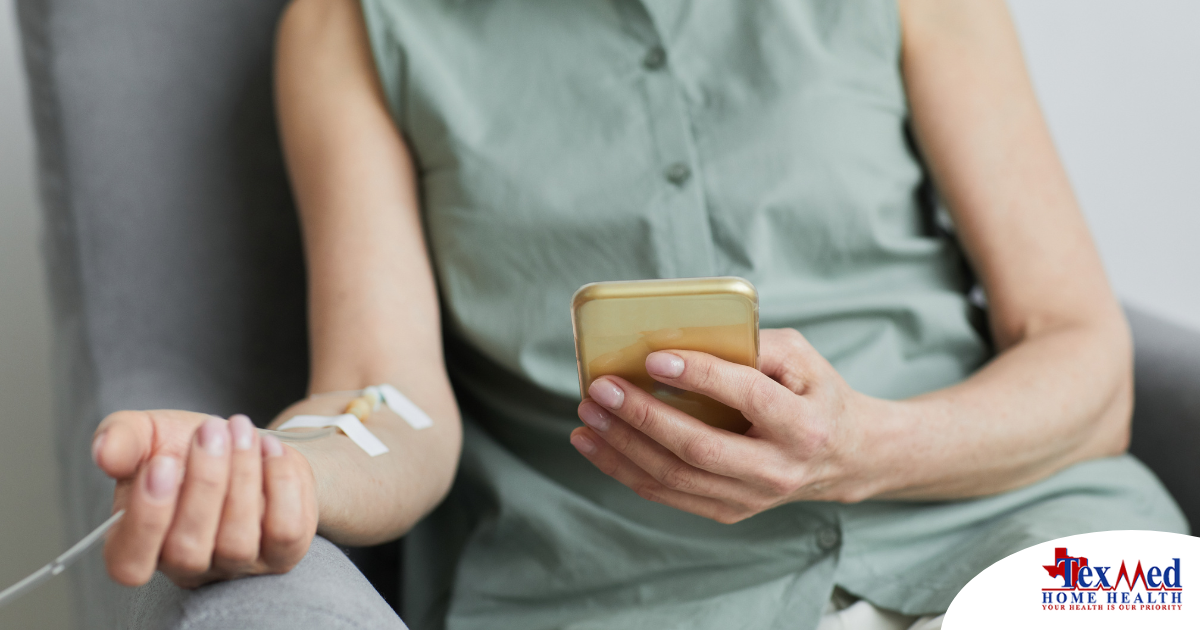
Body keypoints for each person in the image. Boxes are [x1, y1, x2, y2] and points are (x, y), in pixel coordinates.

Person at [89, 0, 1187, 628]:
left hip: (1047, 547)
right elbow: (384, 398)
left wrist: (866, 449)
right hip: (628, 599)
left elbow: (1085, 363)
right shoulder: (351, 25)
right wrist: (281, 469)